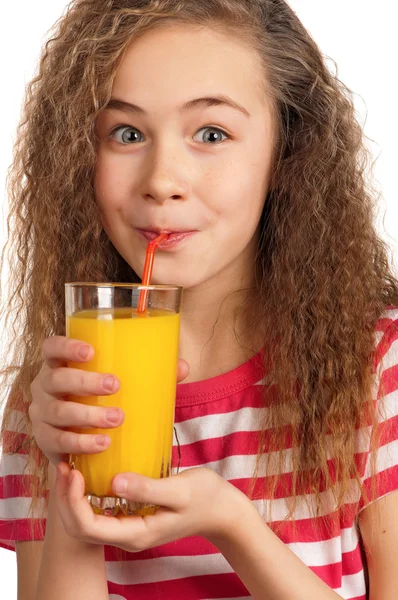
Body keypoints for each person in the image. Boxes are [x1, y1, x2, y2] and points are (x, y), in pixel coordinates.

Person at [0, 0, 397, 598]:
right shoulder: (56, 396)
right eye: (127, 133)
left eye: (211, 133)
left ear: (286, 155)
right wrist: (69, 494)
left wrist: (231, 523)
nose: (162, 180)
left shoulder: (375, 370)